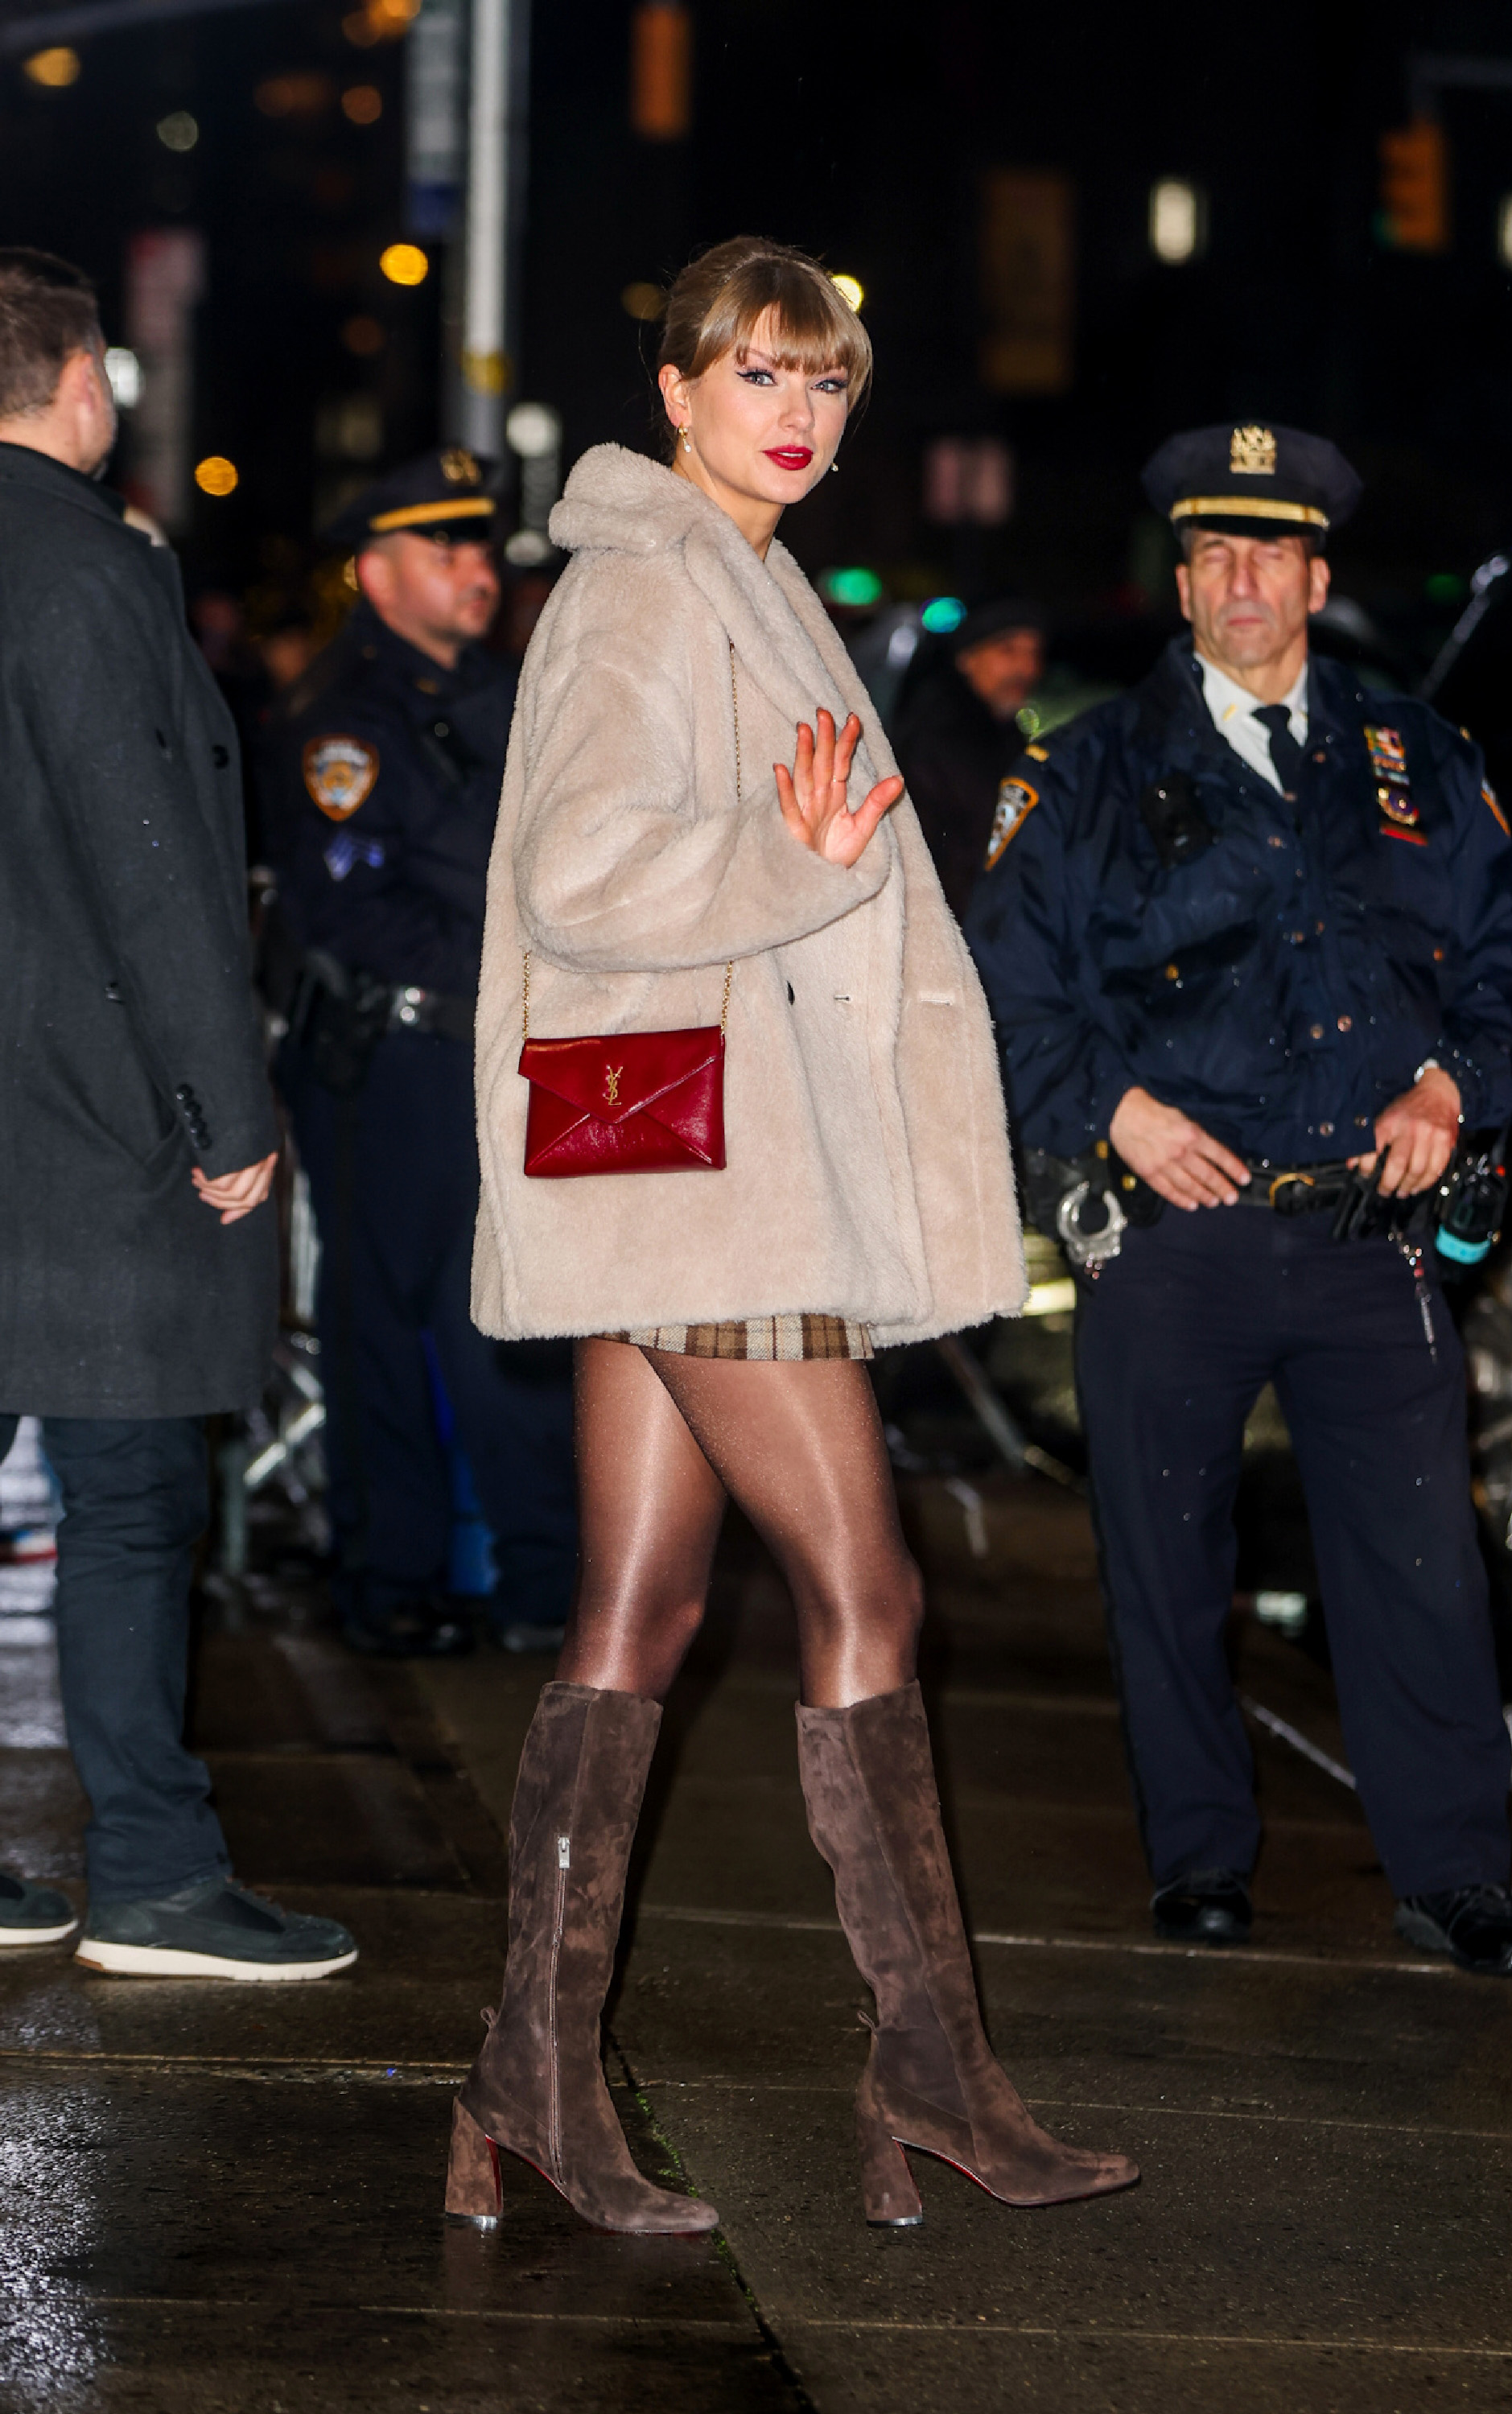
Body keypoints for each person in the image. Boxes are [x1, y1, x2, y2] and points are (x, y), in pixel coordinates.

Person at [441, 237, 1138, 2237]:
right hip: (700, 1177)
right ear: (672, 390)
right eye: (757, 371)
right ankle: (930, 2074)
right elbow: (580, 874)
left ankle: (526, 2079)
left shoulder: (745, 582)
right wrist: (789, 852)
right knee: (868, 1593)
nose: (795, 408)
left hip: (674, 1171)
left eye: (823, 380)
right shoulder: (652, 586)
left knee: (635, 1619)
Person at [966, 421, 1512, 1975]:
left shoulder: (1419, 759)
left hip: (1367, 1236)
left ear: (1317, 574)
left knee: (1422, 1568)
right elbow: (1000, 993)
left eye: (1271, 550)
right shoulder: (1082, 770)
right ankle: (1199, 1859)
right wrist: (1118, 1114)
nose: (1244, 579)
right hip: (1173, 1236)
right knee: (1167, 1562)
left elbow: (1500, 962)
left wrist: (1455, 1090)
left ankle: (1458, 1869)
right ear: (1184, 584)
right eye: (1215, 553)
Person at [0, 247, 356, 1979]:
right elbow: (154, 870)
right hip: (91, 1117)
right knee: (132, 1492)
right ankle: (148, 1868)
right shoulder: (88, 572)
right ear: (83, 385)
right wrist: (229, 1109)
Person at [260, 451, 578, 1658]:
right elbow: (347, 907)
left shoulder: (512, 689)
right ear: (374, 571)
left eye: (479, 546)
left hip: (502, 1055)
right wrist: (515, 955)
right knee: (387, 1326)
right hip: (394, 1065)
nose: (475, 570)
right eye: (443, 550)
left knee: (514, 1328)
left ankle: (546, 1584)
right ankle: (390, 1585)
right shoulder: (344, 715)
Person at [892, 598, 1045, 916]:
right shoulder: (935, 739)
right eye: (1008, 650)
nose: (1027, 668)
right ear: (966, 657)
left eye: (1034, 653)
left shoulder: (1005, 734)